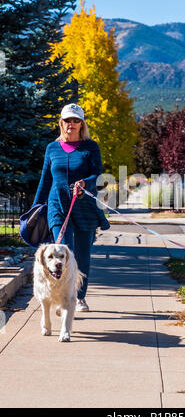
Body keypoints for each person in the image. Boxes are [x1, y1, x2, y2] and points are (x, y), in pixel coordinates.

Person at [33, 103, 110, 311]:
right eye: (68, 120)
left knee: (82, 254)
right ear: (61, 123)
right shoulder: (52, 148)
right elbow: (45, 180)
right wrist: (35, 208)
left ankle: (79, 297)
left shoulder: (90, 147)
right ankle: (62, 298)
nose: (71, 124)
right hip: (58, 206)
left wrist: (85, 182)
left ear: (82, 124)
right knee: (63, 252)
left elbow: (97, 175)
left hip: (84, 206)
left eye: (76, 120)